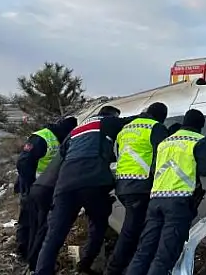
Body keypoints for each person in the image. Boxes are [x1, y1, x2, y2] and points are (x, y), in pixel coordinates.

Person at [35, 105, 138, 275]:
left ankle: (42, 271)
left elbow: (63, 153)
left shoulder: (76, 130)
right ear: (111, 115)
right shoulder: (106, 122)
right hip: (94, 180)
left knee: (54, 235)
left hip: (65, 185)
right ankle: (85, 264)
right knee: (98, 225)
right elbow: (132, 121)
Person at [125, 109, 206, 275]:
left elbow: (153, 168)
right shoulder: (198, 140)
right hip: (178, 202)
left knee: (144, 250)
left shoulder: (164, 142)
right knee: (164, 254)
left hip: (156, 199)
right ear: (200, 127)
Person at [105, 102, 171, 275]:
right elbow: (163, 155)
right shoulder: (156, 128)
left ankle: (131, 265)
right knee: (132, 231)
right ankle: (115, 269)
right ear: (161, 116)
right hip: (140, 185)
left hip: (122, 184)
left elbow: (119, 154)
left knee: (137, 227)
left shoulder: (126, 129)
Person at [15, 117, 77, 260]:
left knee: (36, 222)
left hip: (43, 187)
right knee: (29, 221)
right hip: (32, 186)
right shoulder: (42, 137)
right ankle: (24, 252)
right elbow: (23, 162)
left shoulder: (60, 138)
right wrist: (29, 185)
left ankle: (27, 253)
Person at [25, 150, 63, 272]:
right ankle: (36, 265)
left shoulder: (66, 151)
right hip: (47, 192)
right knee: (43, 230)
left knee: (35, 228)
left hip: (37, 187)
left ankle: (32, 262)